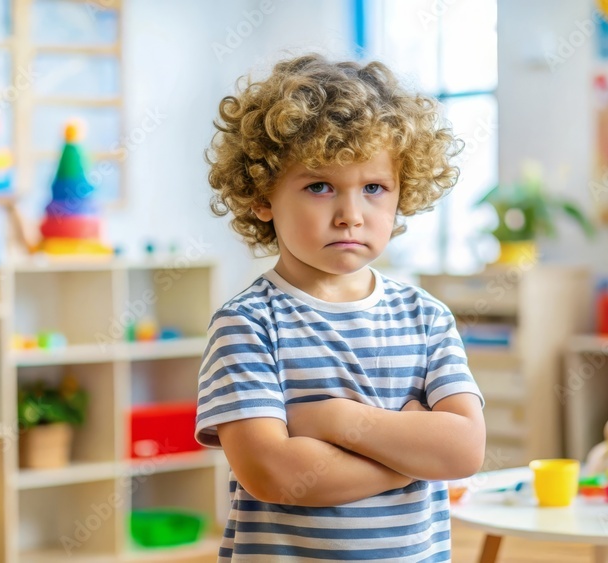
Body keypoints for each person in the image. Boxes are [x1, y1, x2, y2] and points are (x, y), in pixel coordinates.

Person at [196, 53, 486, 562]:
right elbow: (274, 474)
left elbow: (463, 450)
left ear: (401, 193)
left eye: (374, 188)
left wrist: (333, 419)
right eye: (319, 186)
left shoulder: (426, 317)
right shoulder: (247, 324)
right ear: (263, 197)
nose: (350, 215)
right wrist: (413, 457)